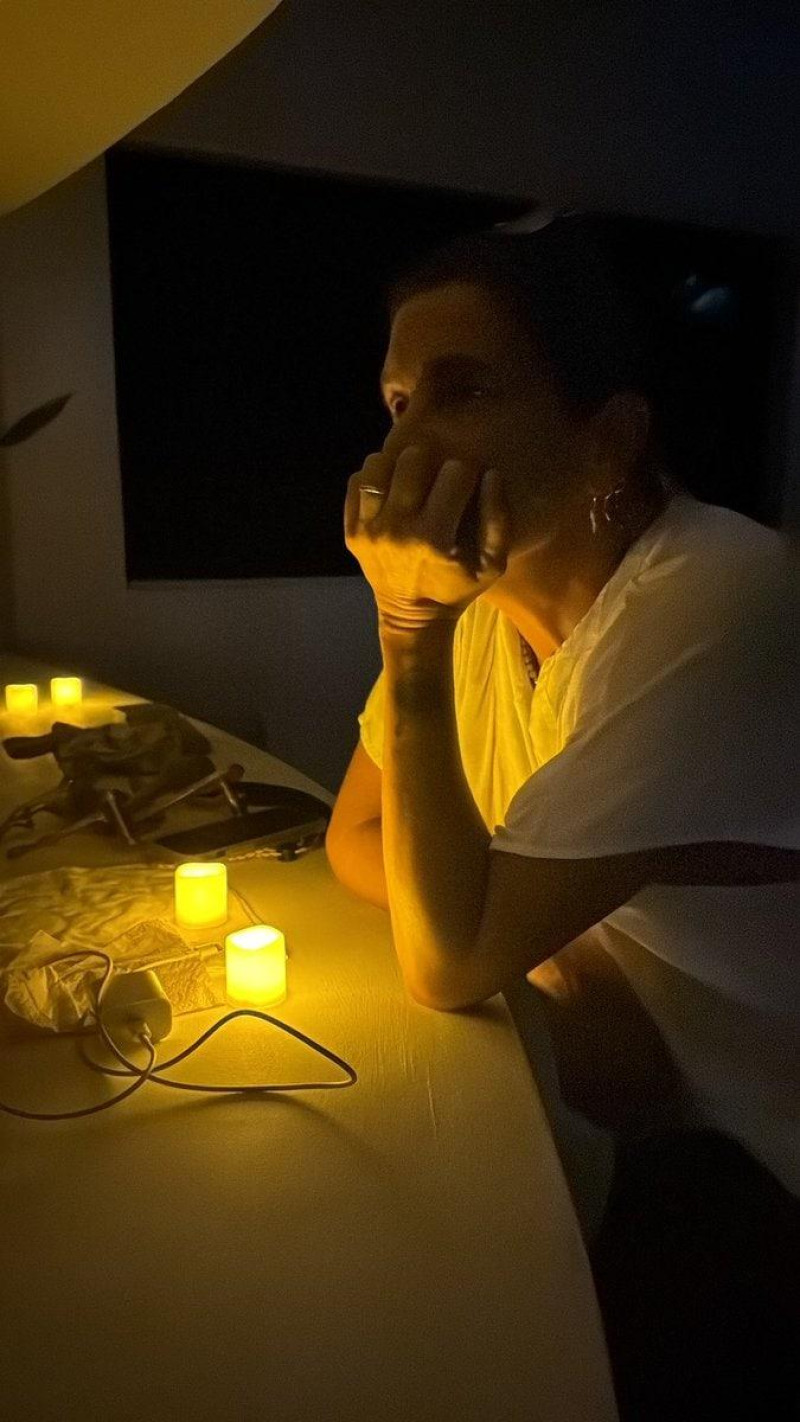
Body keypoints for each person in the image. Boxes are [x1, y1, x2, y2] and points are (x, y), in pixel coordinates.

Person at [324, 214, 800, 1417]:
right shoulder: (482, 612)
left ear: (607, 442)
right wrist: (550, 947)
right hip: (625, 1115)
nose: (403, 446)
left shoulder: (716, 593)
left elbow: (448, 956)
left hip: (758, 1164)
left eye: (461, 392)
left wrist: (405, 627)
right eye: (395, 405)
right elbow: (354, 838)